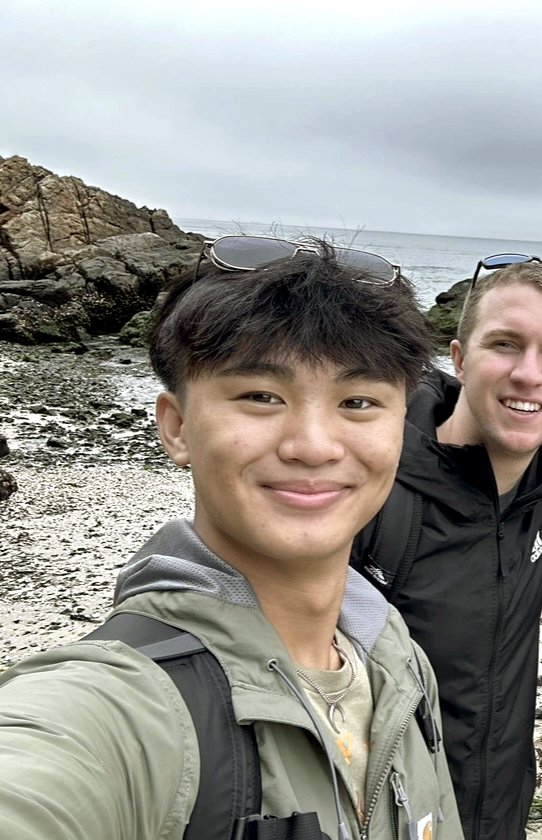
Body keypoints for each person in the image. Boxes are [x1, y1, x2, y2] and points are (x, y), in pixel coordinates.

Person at [0, 236, 462, 840]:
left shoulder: (397, 659)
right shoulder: (124, 709)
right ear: (178, 427)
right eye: (261, 396)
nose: (314, 445)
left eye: (357, 401)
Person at [352, 254, 542, 840]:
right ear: (459, 359)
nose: (529, 374)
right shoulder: (365, 489)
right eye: (505, 344)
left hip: (499, 809)